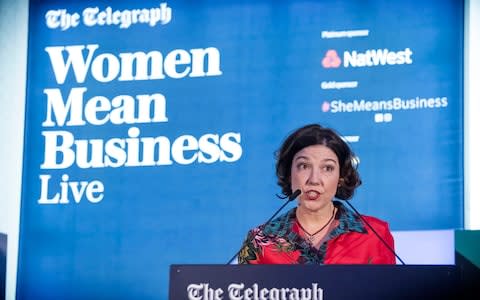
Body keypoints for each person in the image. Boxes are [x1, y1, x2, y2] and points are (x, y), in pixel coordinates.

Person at [238, 124, 396, 264]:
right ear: (289, 173)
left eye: (327, 168)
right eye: (304, 166)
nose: (314, 180)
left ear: (341, 177)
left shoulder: (375, 234)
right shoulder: (260, 240)